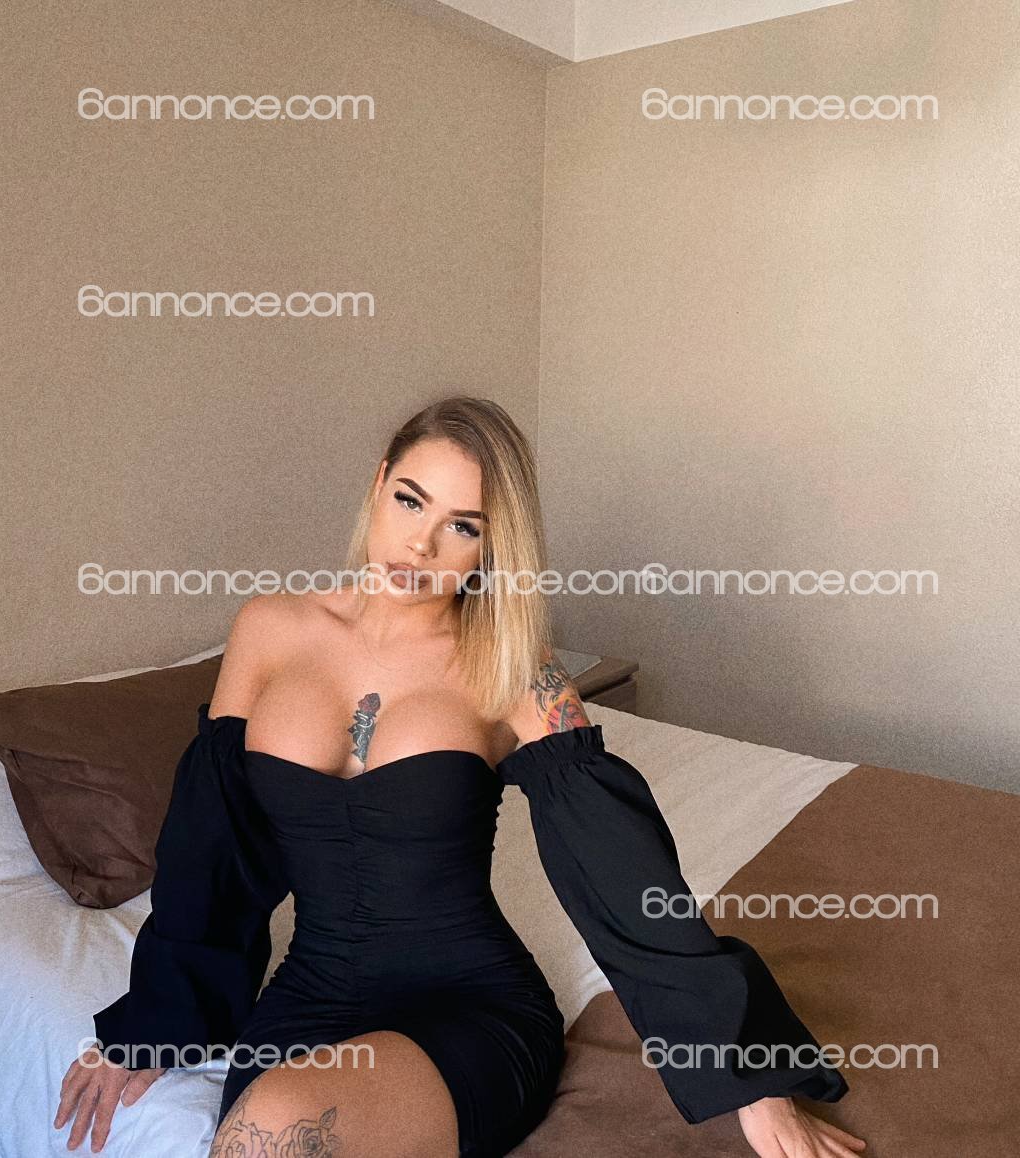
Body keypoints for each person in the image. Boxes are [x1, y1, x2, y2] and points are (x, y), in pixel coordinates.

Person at [54, 396, 866, 1157]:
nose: (421, 545)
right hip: (307, 998)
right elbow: (213, 847)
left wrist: (751, 1081)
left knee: (273, 1129)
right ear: (379, 484)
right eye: (411, 501)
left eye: (463, 526)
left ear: (491, 547)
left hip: (469, 1008)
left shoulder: (514, 666)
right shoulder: (266, 629)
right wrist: (155, 1025)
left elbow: (622, 869)